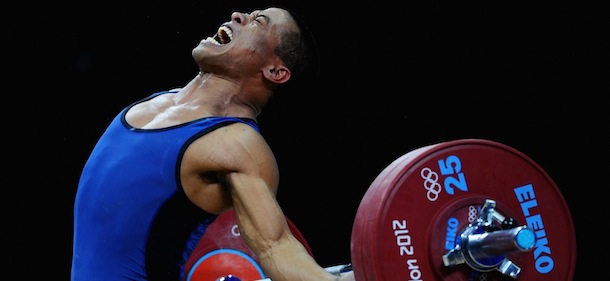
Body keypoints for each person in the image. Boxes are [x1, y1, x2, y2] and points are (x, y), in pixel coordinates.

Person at [71, 6, 355, 281]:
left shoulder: (237, 145)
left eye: (259, 21)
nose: (238, 15)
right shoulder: (157, 101)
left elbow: (276, 248)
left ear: (274, 71)